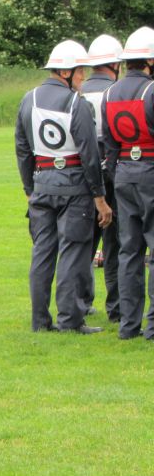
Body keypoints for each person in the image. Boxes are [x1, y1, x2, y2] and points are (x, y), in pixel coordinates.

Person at [16, 40, 112, 333]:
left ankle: (40, 321)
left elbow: (22, 148)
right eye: (80, 71)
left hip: (42, 184)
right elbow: (89, 154)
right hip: (74, 188)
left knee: (42, 252)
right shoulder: (75, 103)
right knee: (73, 251)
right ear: (67, 72)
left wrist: (29, 188)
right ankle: (70, 320)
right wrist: (100, 197)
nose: (83, 77)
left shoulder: (28, 99)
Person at [101, 26, 154, 339]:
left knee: (128, 251)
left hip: (122, 173)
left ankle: (128, 325)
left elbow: (109, 144)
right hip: (149, 170)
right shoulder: (152, 91)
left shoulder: (110, 92)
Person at [81, 35, 122, 321]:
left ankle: (81, 303)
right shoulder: (117, 91)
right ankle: (115, 306)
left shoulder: (78, 91)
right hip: (112, 171)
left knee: (85, 242)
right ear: (114, 64)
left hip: (82, 173)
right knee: (114, 242)